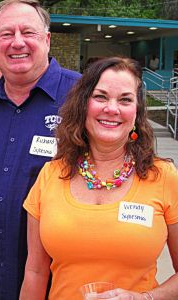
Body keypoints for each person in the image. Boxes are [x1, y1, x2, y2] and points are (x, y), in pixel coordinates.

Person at [21, 57, 178, 299]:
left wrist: (145, 298)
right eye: (100, 97)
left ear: (137, 112)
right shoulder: (50, 175)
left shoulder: (164, 177)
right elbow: (35, 272)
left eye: (125, 99)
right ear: (83, 105)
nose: (112, 109)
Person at [0, 0, 81, 299]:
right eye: (6, 34)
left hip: (58, 277)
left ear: (46, 39)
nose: (17, 42)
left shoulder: (82, 97)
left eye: (27, 32)